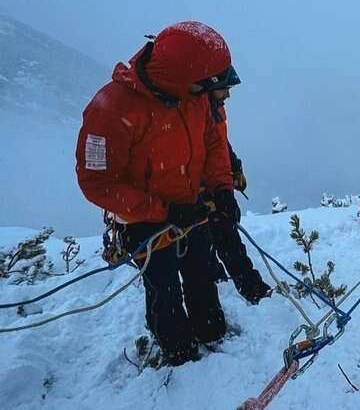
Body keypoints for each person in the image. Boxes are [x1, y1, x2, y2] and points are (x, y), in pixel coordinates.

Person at [75, 21, 241, 366]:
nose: (208, 92)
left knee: (201, 274)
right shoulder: (111, 108)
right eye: (203, 84)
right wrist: (161, 211)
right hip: (145, 221)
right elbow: (96, 182)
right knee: (163, 289)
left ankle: (212, 334)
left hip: (192, 209)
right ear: (180, 75)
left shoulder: (191, 97)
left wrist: (222, 188)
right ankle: (177, 353)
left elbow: (213, 142)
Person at [204, 89, 272, 305]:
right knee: (221, 240)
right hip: (204, 191)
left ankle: (233, 284)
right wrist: (205, 193)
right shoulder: (195, 110)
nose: (228, 94)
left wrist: (235, 165)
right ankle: (251, 290)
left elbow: (221, 142)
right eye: (225, 88)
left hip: (219, 186)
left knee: (224, 237)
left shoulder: (215, 108)